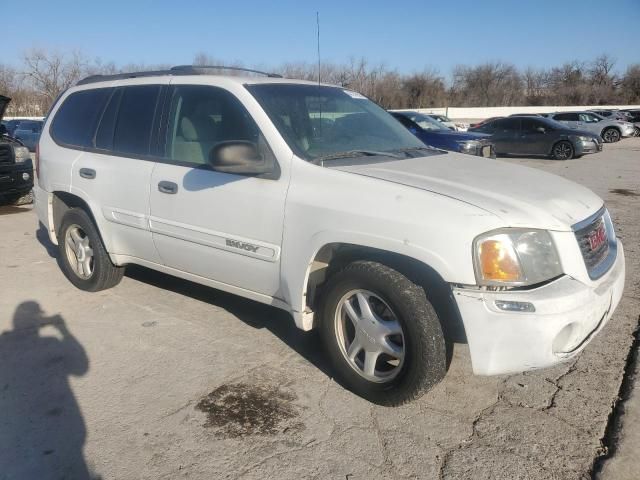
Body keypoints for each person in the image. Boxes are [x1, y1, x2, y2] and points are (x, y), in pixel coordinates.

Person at [0, 301, 94, 479]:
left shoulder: (3, 344)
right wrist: (63, 330)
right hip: (66, 431)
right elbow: (81, 368)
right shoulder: (50, 341)